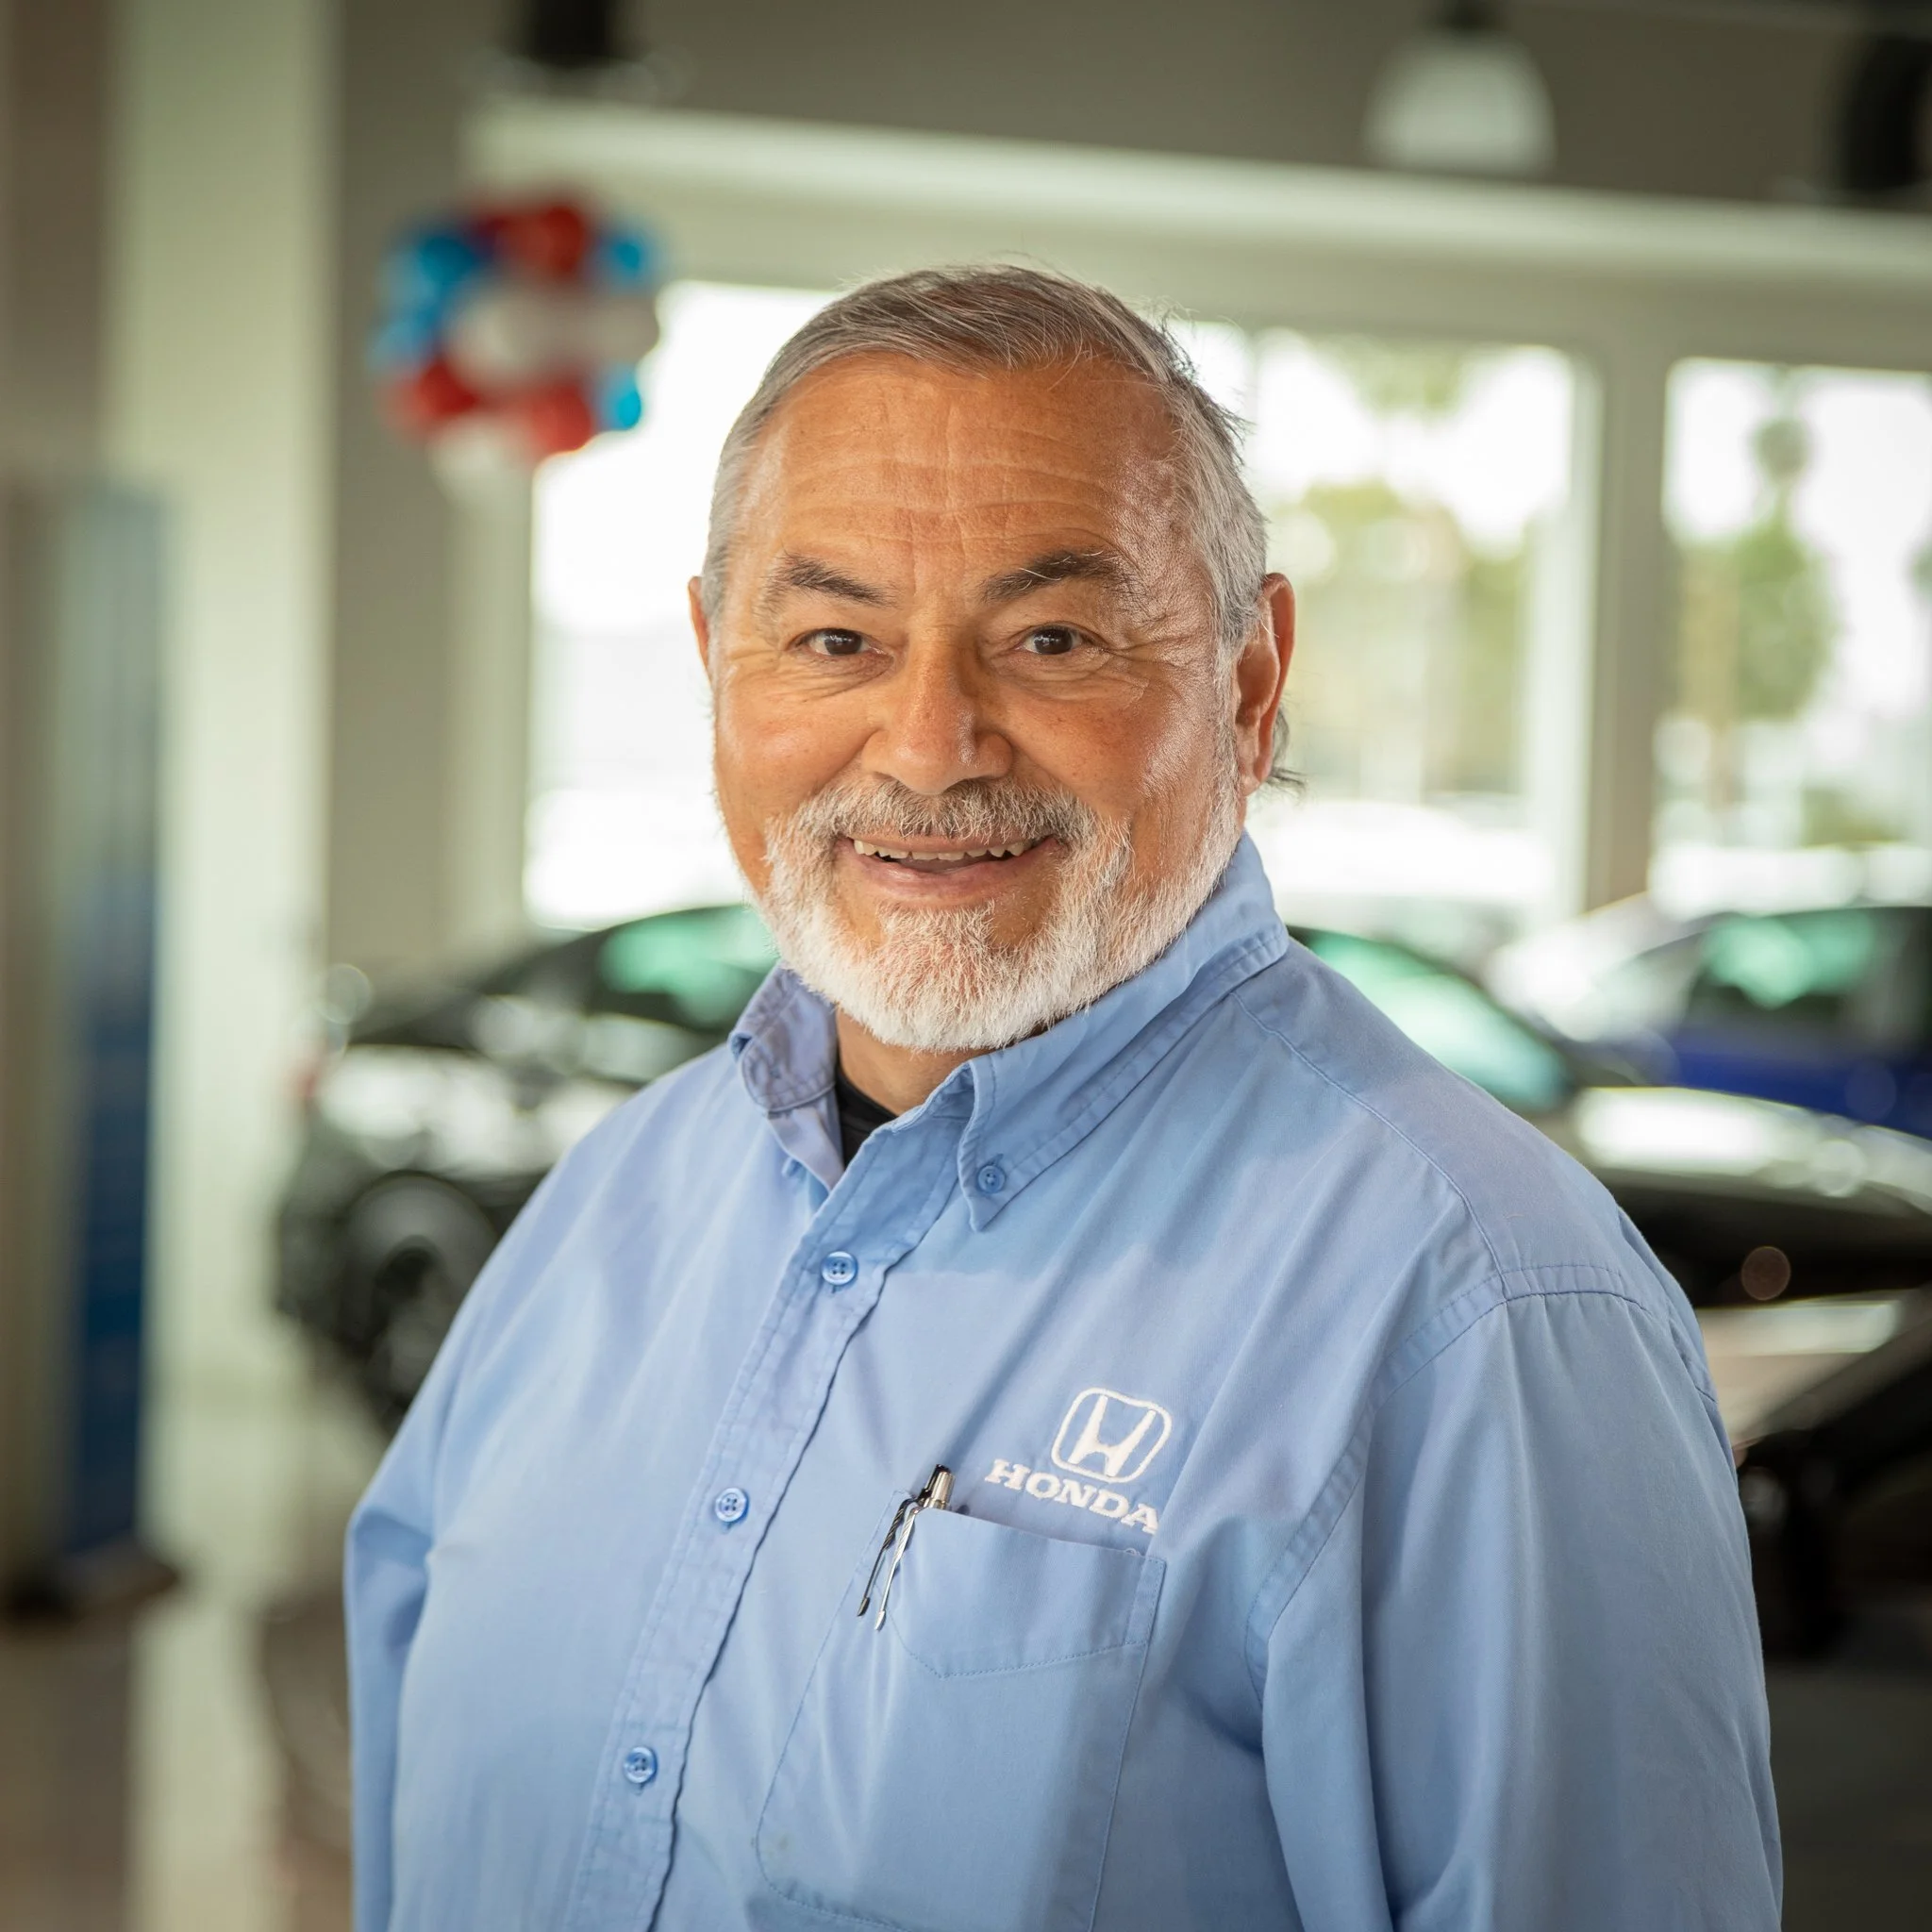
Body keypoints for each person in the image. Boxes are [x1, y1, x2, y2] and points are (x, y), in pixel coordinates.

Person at [346, 264, 1780, 1931]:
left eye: (1051, 638)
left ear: (1250, 681)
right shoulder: (611, 1211)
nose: (932, 742)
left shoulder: (1480, 1310)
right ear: (714, 664)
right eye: (834, 639)